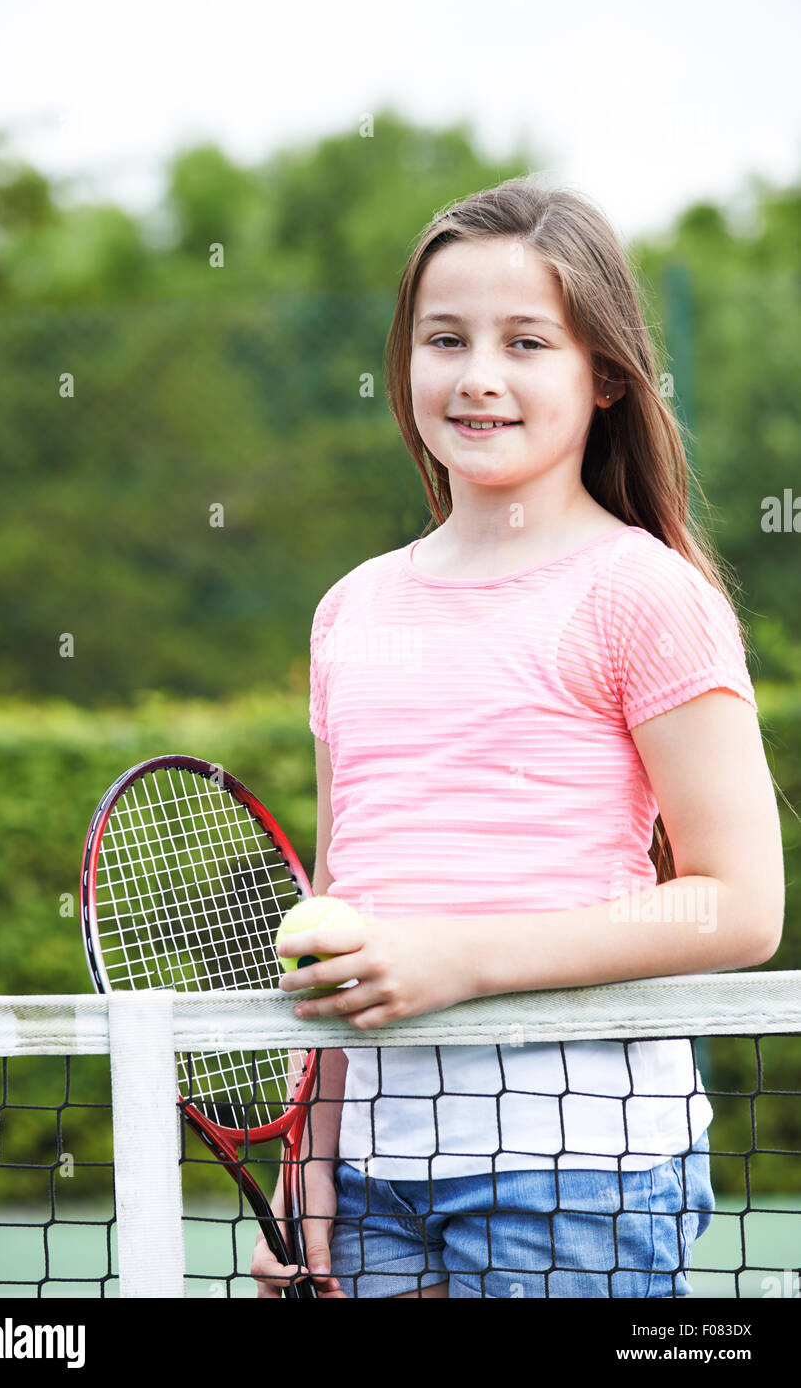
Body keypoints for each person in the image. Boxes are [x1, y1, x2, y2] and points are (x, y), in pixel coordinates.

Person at [251, 174, 784, 1299]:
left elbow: (739, 905)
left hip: (578, 1167)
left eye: (527, 341)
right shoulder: (350, 609)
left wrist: (460, 961)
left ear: (603, 378)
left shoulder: (647, 593)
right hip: (377, 1175)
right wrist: (312, 1159)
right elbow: (347, 898)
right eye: (445, 338)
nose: (478, 375)